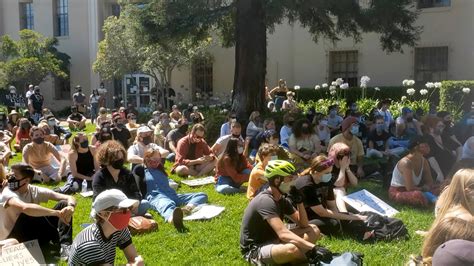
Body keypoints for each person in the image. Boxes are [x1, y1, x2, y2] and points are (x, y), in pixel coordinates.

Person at [240, 160, 326, 265]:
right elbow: (283, 234)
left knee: (314, 229)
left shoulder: (281, 199)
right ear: (277, 180)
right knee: (292, 249)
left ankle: (296, 257)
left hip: (274, 238)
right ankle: (306, 258)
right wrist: (313, 247)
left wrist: (300, 202)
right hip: (255, 248)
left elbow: (304, 224)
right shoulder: (266, 201)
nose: (293, 182)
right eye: (290, 178)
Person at [0, 163, 76, 262]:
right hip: (12, 235)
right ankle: (54, 240)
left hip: (33, 231)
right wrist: (57, 213)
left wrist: (70, 207)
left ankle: (65, 246)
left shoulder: (33, 190)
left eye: (14, 176)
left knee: (63, 204)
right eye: (9, 174)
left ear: (26, 180)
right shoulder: (7, 192)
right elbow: (25, 208)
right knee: (29, 214)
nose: (10, 178)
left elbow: (69, 197)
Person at [68, 189, 144, 265]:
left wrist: (136, 262)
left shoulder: (120, 229)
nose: (129, 213)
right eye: (123, 210)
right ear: (103, 214)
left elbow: (133, 258)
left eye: (129, 208)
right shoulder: (90, 244)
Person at [295, 155, 367, 235]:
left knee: (348, 216)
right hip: (304, 217)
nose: (330, 175)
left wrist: (342, 220)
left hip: (319, 211)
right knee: (334, 224)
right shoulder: (306, 185)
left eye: (331, 172)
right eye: (327, 173)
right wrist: (352, 217)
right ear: (316, 172)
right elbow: (321, 212)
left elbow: (331, 205)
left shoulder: (326, 180)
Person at [143, 149, 208, 231]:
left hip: (172, 195)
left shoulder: (161, 171)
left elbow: (165, 153)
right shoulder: (141, 171)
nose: (156, 162)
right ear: (147, 160)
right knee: (167, 204)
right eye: (153, 160)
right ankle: (173, 219)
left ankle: (187, 209)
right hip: (157, 196)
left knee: (202, 195)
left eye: (158, 160)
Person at [92, 140, 150, 216]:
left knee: (145, 203)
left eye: (121, 158)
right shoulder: (100, 176)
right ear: (107, 160)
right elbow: (98, 198)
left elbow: (136, 193)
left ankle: (130, 216)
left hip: (128, 207)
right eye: (116, 158)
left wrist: (133, 204)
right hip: (108, 210)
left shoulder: (127, 173)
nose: (120, 160)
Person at [389, 137, 439, 208]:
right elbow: (410, 188)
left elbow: (429, 181)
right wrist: (424, 189)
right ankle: (433, 200)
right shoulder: (406, 163)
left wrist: (427, 187)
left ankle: (432, 199)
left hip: (418, 189)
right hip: (399, 192)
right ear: (415, 147)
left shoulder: (424, 161)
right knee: (418, 195)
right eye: (424, 144)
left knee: (441, 187)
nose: (428, 146)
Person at [424, 116, 457, 183]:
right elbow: (431, 158)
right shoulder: (427, 139)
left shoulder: (443, 136)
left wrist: (458, 162)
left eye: (442, 126)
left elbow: (458, 146)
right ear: (431, 128)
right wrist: (439, 173)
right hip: (440, 172)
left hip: (452, 169)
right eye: (439, 126)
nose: (442, 128)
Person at [327, 143, 359, 212]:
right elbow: (338, 184)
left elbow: (355, 183)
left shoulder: (345, 166)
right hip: (329, 199)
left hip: (341, 199)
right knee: (340, 189)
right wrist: (342, 168)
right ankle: (344, 213)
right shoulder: (329, 166)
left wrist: (347, 168)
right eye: (345, 158)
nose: (347, 160)